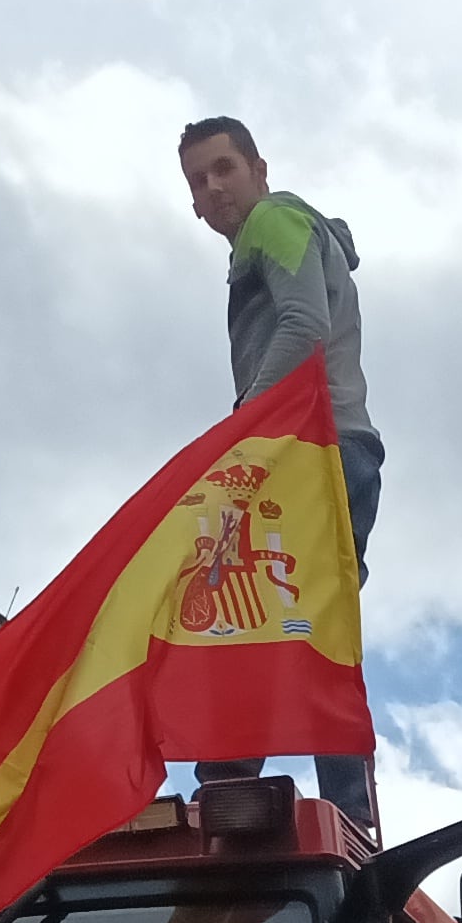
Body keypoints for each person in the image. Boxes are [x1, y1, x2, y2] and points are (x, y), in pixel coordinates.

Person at [179, 114, 381, 827]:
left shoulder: (274, 219)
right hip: (321, 451)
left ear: (259, 169)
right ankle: (326, 809)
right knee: (290, 619)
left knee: (252, 615)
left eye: (223, 168)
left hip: (305, 453)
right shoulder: (283, 230)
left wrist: (243, 433)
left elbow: (304, 327)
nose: (213, 189)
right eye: (198, 182)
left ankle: (245, 793)